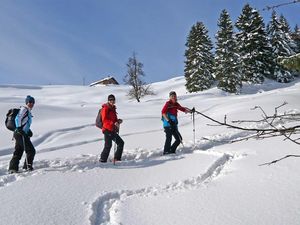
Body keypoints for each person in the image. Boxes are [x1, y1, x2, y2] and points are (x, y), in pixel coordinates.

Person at [8, 95, 36, 173]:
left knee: (19, 151)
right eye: (30, 102)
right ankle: (27, 167)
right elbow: (18, 118)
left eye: (33, 102)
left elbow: (24, 123)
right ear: (26, 102)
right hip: (20, 134)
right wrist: (19, 128)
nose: (31, 104)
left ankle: (12, 168)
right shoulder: (24, 109)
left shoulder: (28, 111)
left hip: (19, 133)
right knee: (31, 150)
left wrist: (28, 131)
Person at [99, 94, 124, 163]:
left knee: (121, 143)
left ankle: (117, 159)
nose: (112, 101)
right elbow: (104, 120)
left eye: (113, 100)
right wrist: (113, 123)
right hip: (107, 129)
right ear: (108, 100)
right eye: (110, 100)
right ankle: (102, 160)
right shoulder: (105, 108)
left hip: (113, 129)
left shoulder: (113, 108)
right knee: (108, 145)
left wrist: (118, 121)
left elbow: (114, 119)